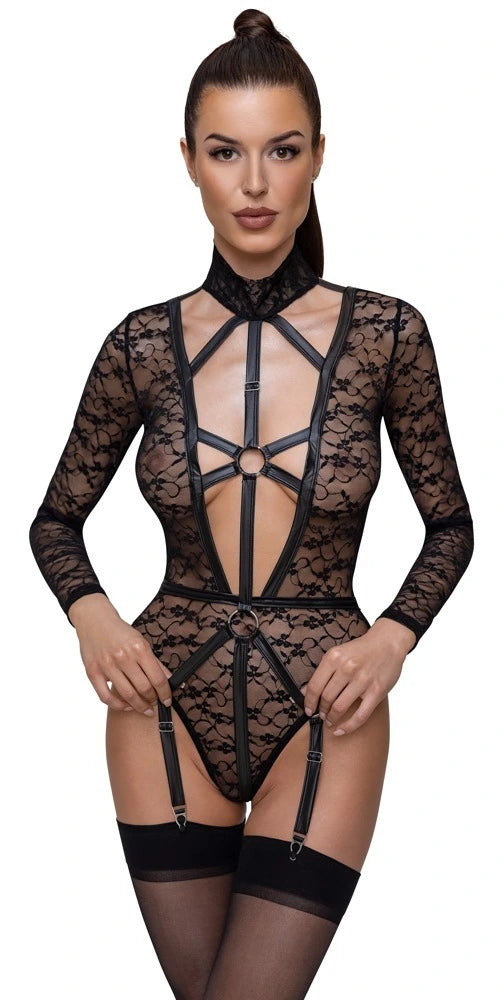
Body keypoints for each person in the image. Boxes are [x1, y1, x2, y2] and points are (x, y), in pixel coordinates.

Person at [28, 8, 474, 999]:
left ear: (319, 154)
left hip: (329, 706)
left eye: (282, 149)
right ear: (188, 160)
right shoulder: (140, 345)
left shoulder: (387, 335)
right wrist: (92, 616)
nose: (256, 183)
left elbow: (451, 524)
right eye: (226, 152)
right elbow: (54, 519)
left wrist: (391, 638)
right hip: (157, 702)